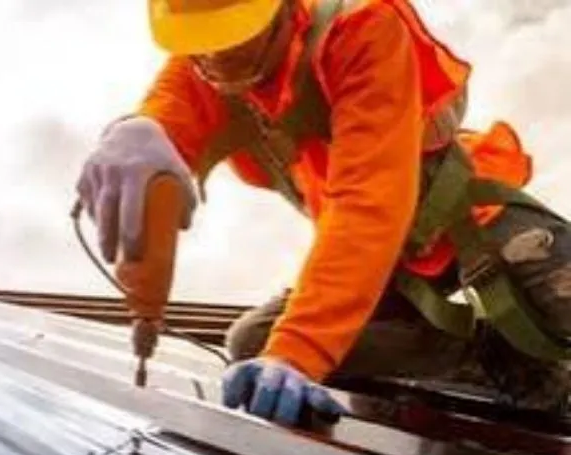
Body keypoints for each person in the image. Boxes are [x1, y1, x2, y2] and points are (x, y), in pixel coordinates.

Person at [74, 0, 571, 426]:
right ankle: (483, 355)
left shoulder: (363, 28)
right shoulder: (205, 63)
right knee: (252, 343)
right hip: (381, 269)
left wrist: (299, 352)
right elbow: (168, 126)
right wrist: (139, 130)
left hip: (461, 223)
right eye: (205, 53)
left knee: (561, 291)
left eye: (238, 46)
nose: (221, 68)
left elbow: (368, 204)